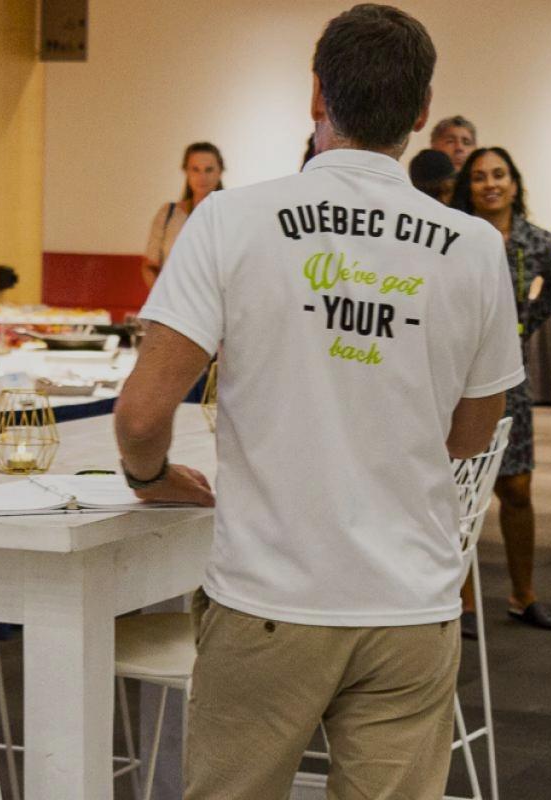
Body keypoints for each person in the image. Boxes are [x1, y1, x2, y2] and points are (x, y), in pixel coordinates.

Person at [114, 5, 522, 796]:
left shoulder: (230, 220)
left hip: (272, 596)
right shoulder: (475, 247)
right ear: (421, 112)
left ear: (316, 96)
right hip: (411, 599)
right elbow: (474, 433)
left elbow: (139, 414)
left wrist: (149, 477)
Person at [450, 146, 551, 633]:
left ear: (515, 183)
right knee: (457, 491)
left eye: (499, 175)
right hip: (456, 378)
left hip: (510, 378)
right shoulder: (451, 234)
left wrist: (524, 328)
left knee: (517, 488)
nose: (490, 184)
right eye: (479, 177)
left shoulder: (535, 240)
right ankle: (461, 601)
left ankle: (524, 596)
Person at [143, 141, 225, 287]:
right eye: (195, 169)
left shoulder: (232, 216)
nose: (202, 177)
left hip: (219, 304)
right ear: (186, 171)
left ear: (219, 172)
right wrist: (163, 299)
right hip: (176, 303)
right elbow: (150, 266)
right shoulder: (169, 214)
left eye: (209, 170)